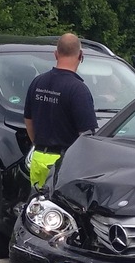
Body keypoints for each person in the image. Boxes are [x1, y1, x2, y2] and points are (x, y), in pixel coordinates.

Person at [24, 33, 97, 188]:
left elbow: (28, 121)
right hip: (63, 165)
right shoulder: (78, 90)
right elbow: (87, 136)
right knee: (58, 210)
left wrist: (39, 143)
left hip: (38, 158)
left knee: (37, 207)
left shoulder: (37, 82)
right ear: (81, 56)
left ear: (56, 54)